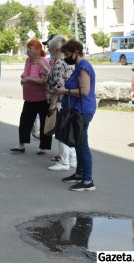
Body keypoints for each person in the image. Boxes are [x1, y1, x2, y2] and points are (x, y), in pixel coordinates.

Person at [53, 39, 96, 191]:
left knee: (82, 145)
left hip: (82, 111)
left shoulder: (84, 67)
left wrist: (63, 91)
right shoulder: (78, 66)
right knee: (78, 143)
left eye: (67, 54)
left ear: (76, 53)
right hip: (77, 110)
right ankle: (80, 174)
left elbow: (84, 92)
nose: (65, 57)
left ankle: (88, 181)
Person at [11, 39, 51, 154]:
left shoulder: (43, 61)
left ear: (38, 50)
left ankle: (43, 147)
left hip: (41, 98)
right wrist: (24, 79)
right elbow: (25, 74)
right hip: (29, 97)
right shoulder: (28, 60)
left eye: (30, 48)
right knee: (24, 121)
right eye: (27, 47)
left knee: (44, 123)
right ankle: (21, 145)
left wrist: (28, 79)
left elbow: (44, 81)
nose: (28, 50)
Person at [42, 35, 76, 171]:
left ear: (55, 49)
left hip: (60, 102)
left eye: (50, 48)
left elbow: (58, 86)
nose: (49, 50)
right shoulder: (69, 62)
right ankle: (73, 159)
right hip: (69, 100)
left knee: (62, 133)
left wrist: (53, 103)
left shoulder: (58, 63)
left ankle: (64, 161)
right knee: (68, 131)